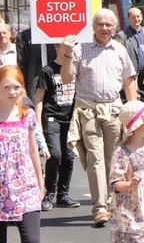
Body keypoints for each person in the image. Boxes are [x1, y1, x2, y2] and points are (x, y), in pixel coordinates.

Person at [60, 8, 137, 227]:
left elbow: (129, 82)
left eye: (108, 25)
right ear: (93, 27)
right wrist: (66, 53)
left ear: (114, 28)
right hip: (88, 112)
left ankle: (112, 200)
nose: (104, 28)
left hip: (114, 112)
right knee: (94, 158)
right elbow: (66, 79)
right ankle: (100, 208)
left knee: (113, 159)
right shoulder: (80, 49)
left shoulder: (120, 50)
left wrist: (133, 114)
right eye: (100, 24)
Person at [108, 101, 144, 242]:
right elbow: (115, 184)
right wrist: (130, 184)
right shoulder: (122, 152)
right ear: (135, 125)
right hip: (131, 211)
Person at [0, 65, 45, 242]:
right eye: (6, 87)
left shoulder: (27, 115)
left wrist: (40, 184)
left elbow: (33, 150)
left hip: (25, 187)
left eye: (16, 87)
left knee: (32, 240)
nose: (12, 92)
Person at [35, 43, 80, 211]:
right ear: (57, 48)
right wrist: (38, 123)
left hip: (70, 119)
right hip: (52, 117)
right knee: (55, 154)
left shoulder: (75, 69)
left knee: (68, 157)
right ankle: (49, 194)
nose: (70, 50)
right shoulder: (47, 70)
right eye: (66, 47)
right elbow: (39, 98)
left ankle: (63, 195)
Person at [115, 7, 144, 92]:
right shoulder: (122, 35)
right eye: (133, 17)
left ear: (142, 17)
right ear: (128, 19)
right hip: (132, 75)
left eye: (138, 16)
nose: (136, 19)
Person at [16, 28, 57, 103]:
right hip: (33, 86)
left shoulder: (57, 34)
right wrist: (23, 87)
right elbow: (21, 66)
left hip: (54, 83)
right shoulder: (24, 36)